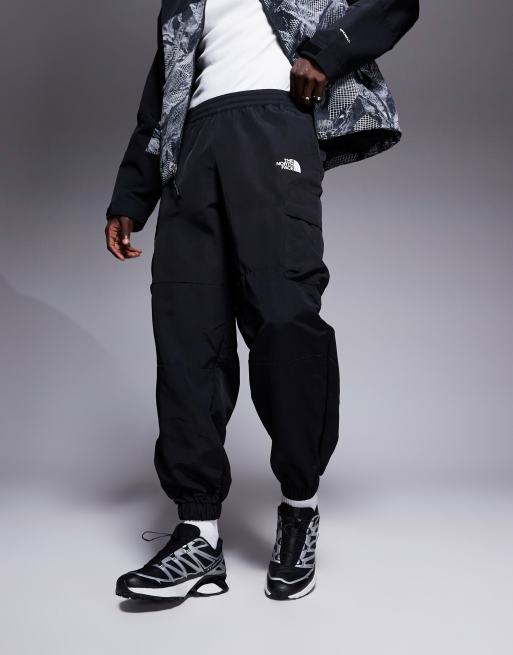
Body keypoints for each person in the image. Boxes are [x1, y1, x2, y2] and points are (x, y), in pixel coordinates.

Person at [105, 0, 419, 603]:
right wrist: (131, 195)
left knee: (284, 319)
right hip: (190, 149)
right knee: (186, 337)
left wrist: (326, 54)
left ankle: (300, 507)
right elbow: (163, 88)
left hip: (275, 124)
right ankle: (198, 534)